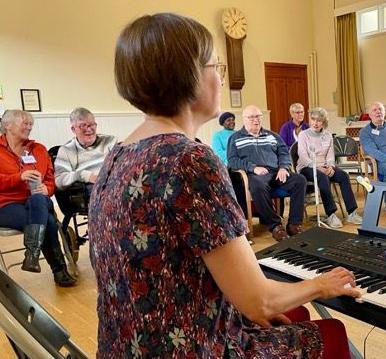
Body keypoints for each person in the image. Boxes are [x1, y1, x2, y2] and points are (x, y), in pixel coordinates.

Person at [91, 13, 358, 358]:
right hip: (189, 349)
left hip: (127, 346)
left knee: (294, 314)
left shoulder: (116, 156)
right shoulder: (189, 160)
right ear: (189, 76)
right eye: (216, 65)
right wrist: (321, 284)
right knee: (330, 332)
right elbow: (259, 301)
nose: (219, 77)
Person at [0, 110, 76, 286]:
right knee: (48, 221)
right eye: (24, 123)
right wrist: (19, 177)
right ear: (7, 125)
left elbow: (50, 180)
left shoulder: (39, 149)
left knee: (38, 199)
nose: (29, 126)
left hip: (36, 201)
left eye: (30, 123)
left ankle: (33, 253)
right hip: (6, 205)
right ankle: (58, 269)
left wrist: (47, 188)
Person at [228, 105, 308, 241]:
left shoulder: (272, 136)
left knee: (300, 180)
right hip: (255, 175)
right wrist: (253, 168)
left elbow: (284, 153)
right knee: (257, 186)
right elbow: (232, 161)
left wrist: (283, 167)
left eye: (258, 116)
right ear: (244, 119)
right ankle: (275, 226)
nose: (256, 120)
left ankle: (294, 224)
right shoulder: (235, 138)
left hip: (277, 172)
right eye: (251, 117)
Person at [296, 107, 363, 228]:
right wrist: (317, 167)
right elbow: (303, 156)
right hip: (307, 167)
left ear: (324, 122)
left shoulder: (327, 135)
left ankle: (351, 212)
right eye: (313, 119)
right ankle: (331, 214)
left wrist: (331, 166)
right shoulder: (303, 135)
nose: (315, 123)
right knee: (323, 178)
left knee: (343, 175)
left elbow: (330, 155)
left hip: (325, 166)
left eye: (319, 120)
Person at [54, 107, 117, 191]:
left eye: (92, 124)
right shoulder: (66, 150)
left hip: (115, 182)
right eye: (83, 125)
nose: (89, 129)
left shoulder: (109, 141)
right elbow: (59, 181)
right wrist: (83, 175)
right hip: (92, 188)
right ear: (73, 129)